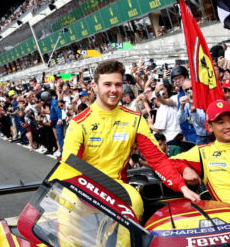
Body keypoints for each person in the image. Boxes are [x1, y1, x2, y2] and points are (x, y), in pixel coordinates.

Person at [61, 60, 197, 202]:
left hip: (118, 188)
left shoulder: (134, 119)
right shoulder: (79, 123)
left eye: (118, 85)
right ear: (94, 86)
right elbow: (69, 168)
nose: (113, 90)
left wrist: (182, 187)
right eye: (107, 84)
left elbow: (157, 159)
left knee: (136, 202)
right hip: (84, 188)